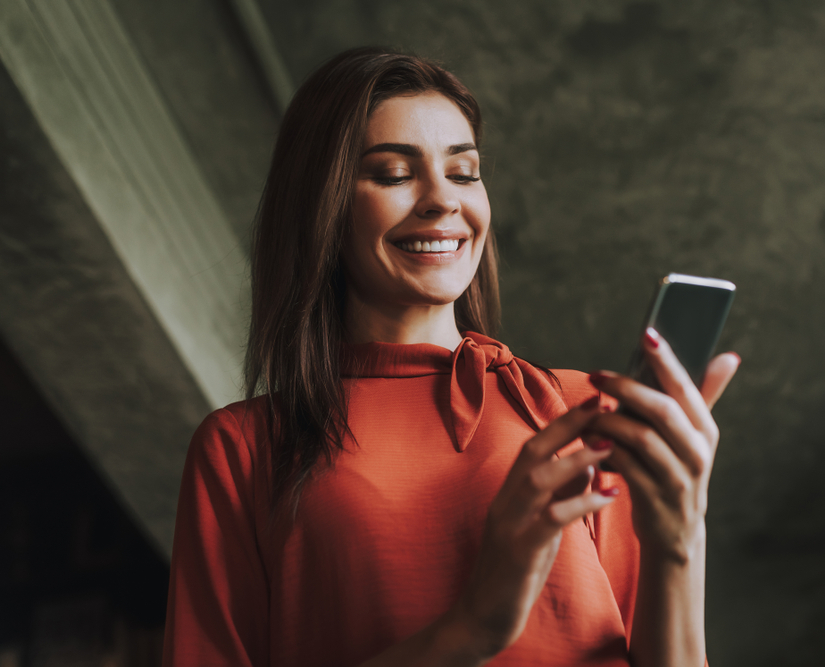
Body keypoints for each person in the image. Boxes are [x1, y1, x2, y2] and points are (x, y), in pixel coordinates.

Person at [162, 47, 739, 667]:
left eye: (463, 172)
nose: (443, 200)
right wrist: (470, 629)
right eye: (392, 173)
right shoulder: (242, 449)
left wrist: (681, 543)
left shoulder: (583, 411)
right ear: (322, 205)